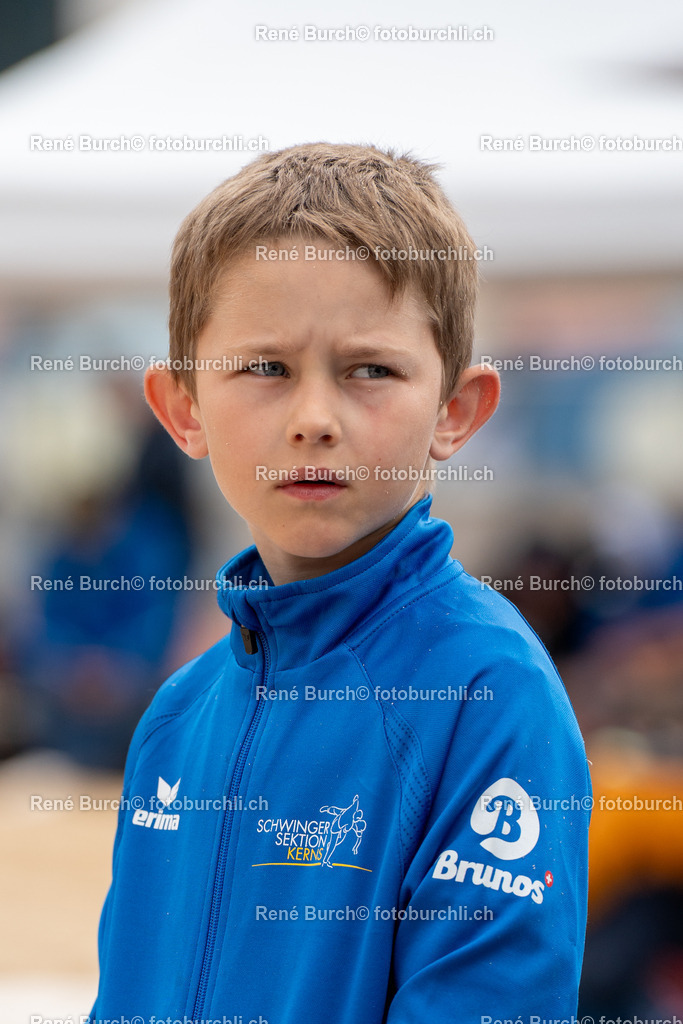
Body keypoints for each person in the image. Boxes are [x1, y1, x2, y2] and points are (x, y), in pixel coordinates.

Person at [89, 142, 591, 1023]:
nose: (314, 419)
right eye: (265, 368)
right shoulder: (176, 716)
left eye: (369, 370)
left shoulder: (486, 693)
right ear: (182, 408)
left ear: (455, 410)